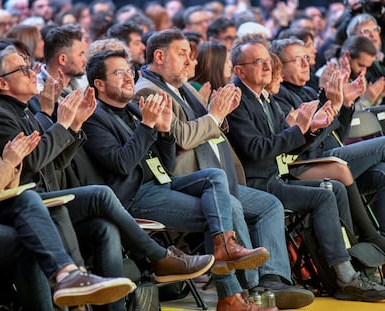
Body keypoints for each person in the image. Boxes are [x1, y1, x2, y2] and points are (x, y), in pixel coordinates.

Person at [0, 46, 216, 311]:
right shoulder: (2, 115)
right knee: (101, 194)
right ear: (2, 82)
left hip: (52, 200)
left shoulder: (24, 112)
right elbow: (33, 165)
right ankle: (159, 257)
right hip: (28, 207)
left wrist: (76, 126)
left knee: (105, 229)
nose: (31, 72)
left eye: (130, 71)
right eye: (22, 69)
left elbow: (56, 163)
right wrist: (63, 124)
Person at [134, 28, 314, 310]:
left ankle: (273, 280)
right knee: (229, 207)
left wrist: (220, 112)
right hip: (187, 179)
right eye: (182, 54)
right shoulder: (147, 90)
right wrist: (215, 114)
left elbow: (212, 125)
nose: (189, 60)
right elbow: (181, 137)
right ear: (159, 56)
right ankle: (248, 291)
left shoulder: (179, 87)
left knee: (270, 205)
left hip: (216, 176)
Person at [83, 48, 275, 311]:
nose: (129, 77)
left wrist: (164, 134)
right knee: (219, 211)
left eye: (129, 71)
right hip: (135, 196)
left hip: (161, 183)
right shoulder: (94, 118)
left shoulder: (132, 109)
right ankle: (232, 295)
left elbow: (164, 164)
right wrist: (148, 126)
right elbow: (122, 164)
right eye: (119, 73)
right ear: (99, 84)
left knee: (214, 178)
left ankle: (225, 249)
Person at [226, 39, 385, 302]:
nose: (267, 66)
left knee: (332, 188)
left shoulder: (263, 98)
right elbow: (256, 150)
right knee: (325, 192)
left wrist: (313, 129)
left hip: (275, 175)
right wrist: (299, 130)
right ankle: (345, 275)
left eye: (268, 60)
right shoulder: (238, 98)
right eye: (258, 62)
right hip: (257, 183)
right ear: (240, 71)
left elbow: (290, 145)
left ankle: (349, 268)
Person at [0, 67, 135, 308]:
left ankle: (76, 282)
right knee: (93, 197)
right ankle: (157, 257)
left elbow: (16, 181)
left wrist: (74, 125)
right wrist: (9, 162)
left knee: (99, 225)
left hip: (3, 208)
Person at [271, 37, 385, 242]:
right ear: (279, 67)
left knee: (382, 173)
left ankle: (379, 238)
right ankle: (372, 238)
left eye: (307, 57)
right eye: (298, 60)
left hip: (333, 155)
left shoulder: (306, 91)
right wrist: (332, 105)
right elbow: (307, 142)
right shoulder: (280, 97)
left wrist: (346, 104)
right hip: (312, 162)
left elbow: (337, 137)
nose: (307, 63)